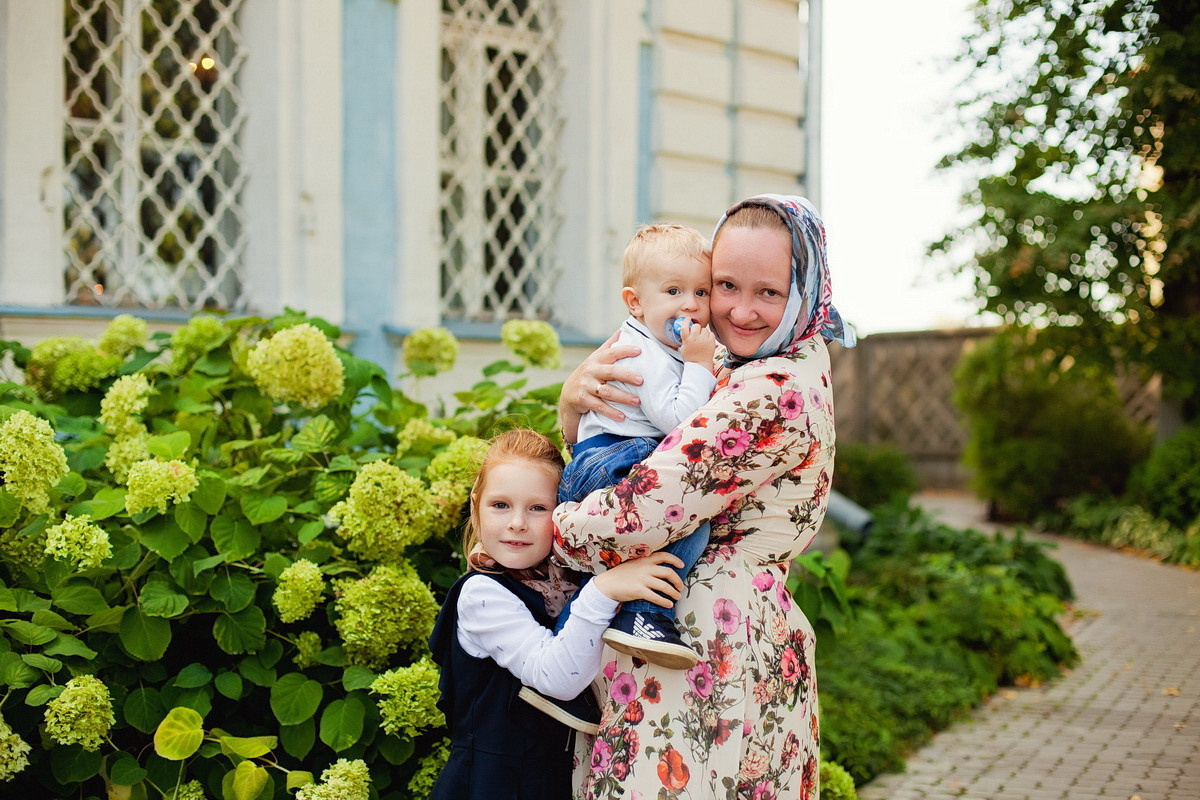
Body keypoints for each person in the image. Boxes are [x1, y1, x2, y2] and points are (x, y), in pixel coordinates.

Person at [553, 194, 855, 799]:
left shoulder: (771, 392)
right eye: (724, 285)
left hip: (710, 652)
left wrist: (555, 527)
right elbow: (624, 438)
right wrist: (571, 404)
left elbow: (636, 516)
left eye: (769, 292)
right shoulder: (747, 359)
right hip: (713, 639)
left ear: (803, 289)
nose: (741, 310)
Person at [428, 428, 687, 800]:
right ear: (475, 506)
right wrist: (604, 591)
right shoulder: (481, 595)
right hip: (489, 785)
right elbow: (557, 677)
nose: (517, 522)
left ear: (563, 515)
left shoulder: (565, 584)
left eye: (538, 508)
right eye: (500, 505)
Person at [556, 223, 717, 670]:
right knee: (688, 525)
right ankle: (645, 615)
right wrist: (700, 366)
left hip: (607, 454)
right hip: (616, 455)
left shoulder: (654, 341)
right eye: (673, 290)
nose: (691, 305)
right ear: (635, 302)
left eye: (701, 292)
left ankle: (565, 649)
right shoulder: (644, 351)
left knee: (609, 572)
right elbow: (676, 420)